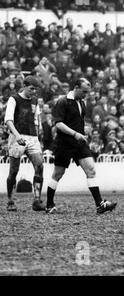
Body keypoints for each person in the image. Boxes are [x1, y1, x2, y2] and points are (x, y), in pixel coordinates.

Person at [45, 78, 117, 214]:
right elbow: (58, 124)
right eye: (84, 91)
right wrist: (75, 134)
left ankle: (99, 204)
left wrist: (84, 129)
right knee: (58, 174)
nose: (86, 94)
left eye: (88, 92)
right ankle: (49, 205)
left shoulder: (82, 102)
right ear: (76, 87)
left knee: (91, 169)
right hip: (64, 143)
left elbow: (77, 121)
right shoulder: (63, 101)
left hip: (78, 142)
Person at [4, 75, 45, 212]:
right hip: (17, 136)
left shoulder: (35, 101)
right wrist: (17, 135)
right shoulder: (14, 99)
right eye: (32, 89)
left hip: (32, 137)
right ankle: (10, 200)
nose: (34, 92)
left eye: (36, 89)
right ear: (25, 86)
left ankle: (37, 200)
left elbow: (36, 119)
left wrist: (38, 136)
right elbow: (8, 120)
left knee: (39, 166)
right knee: (14, 170)